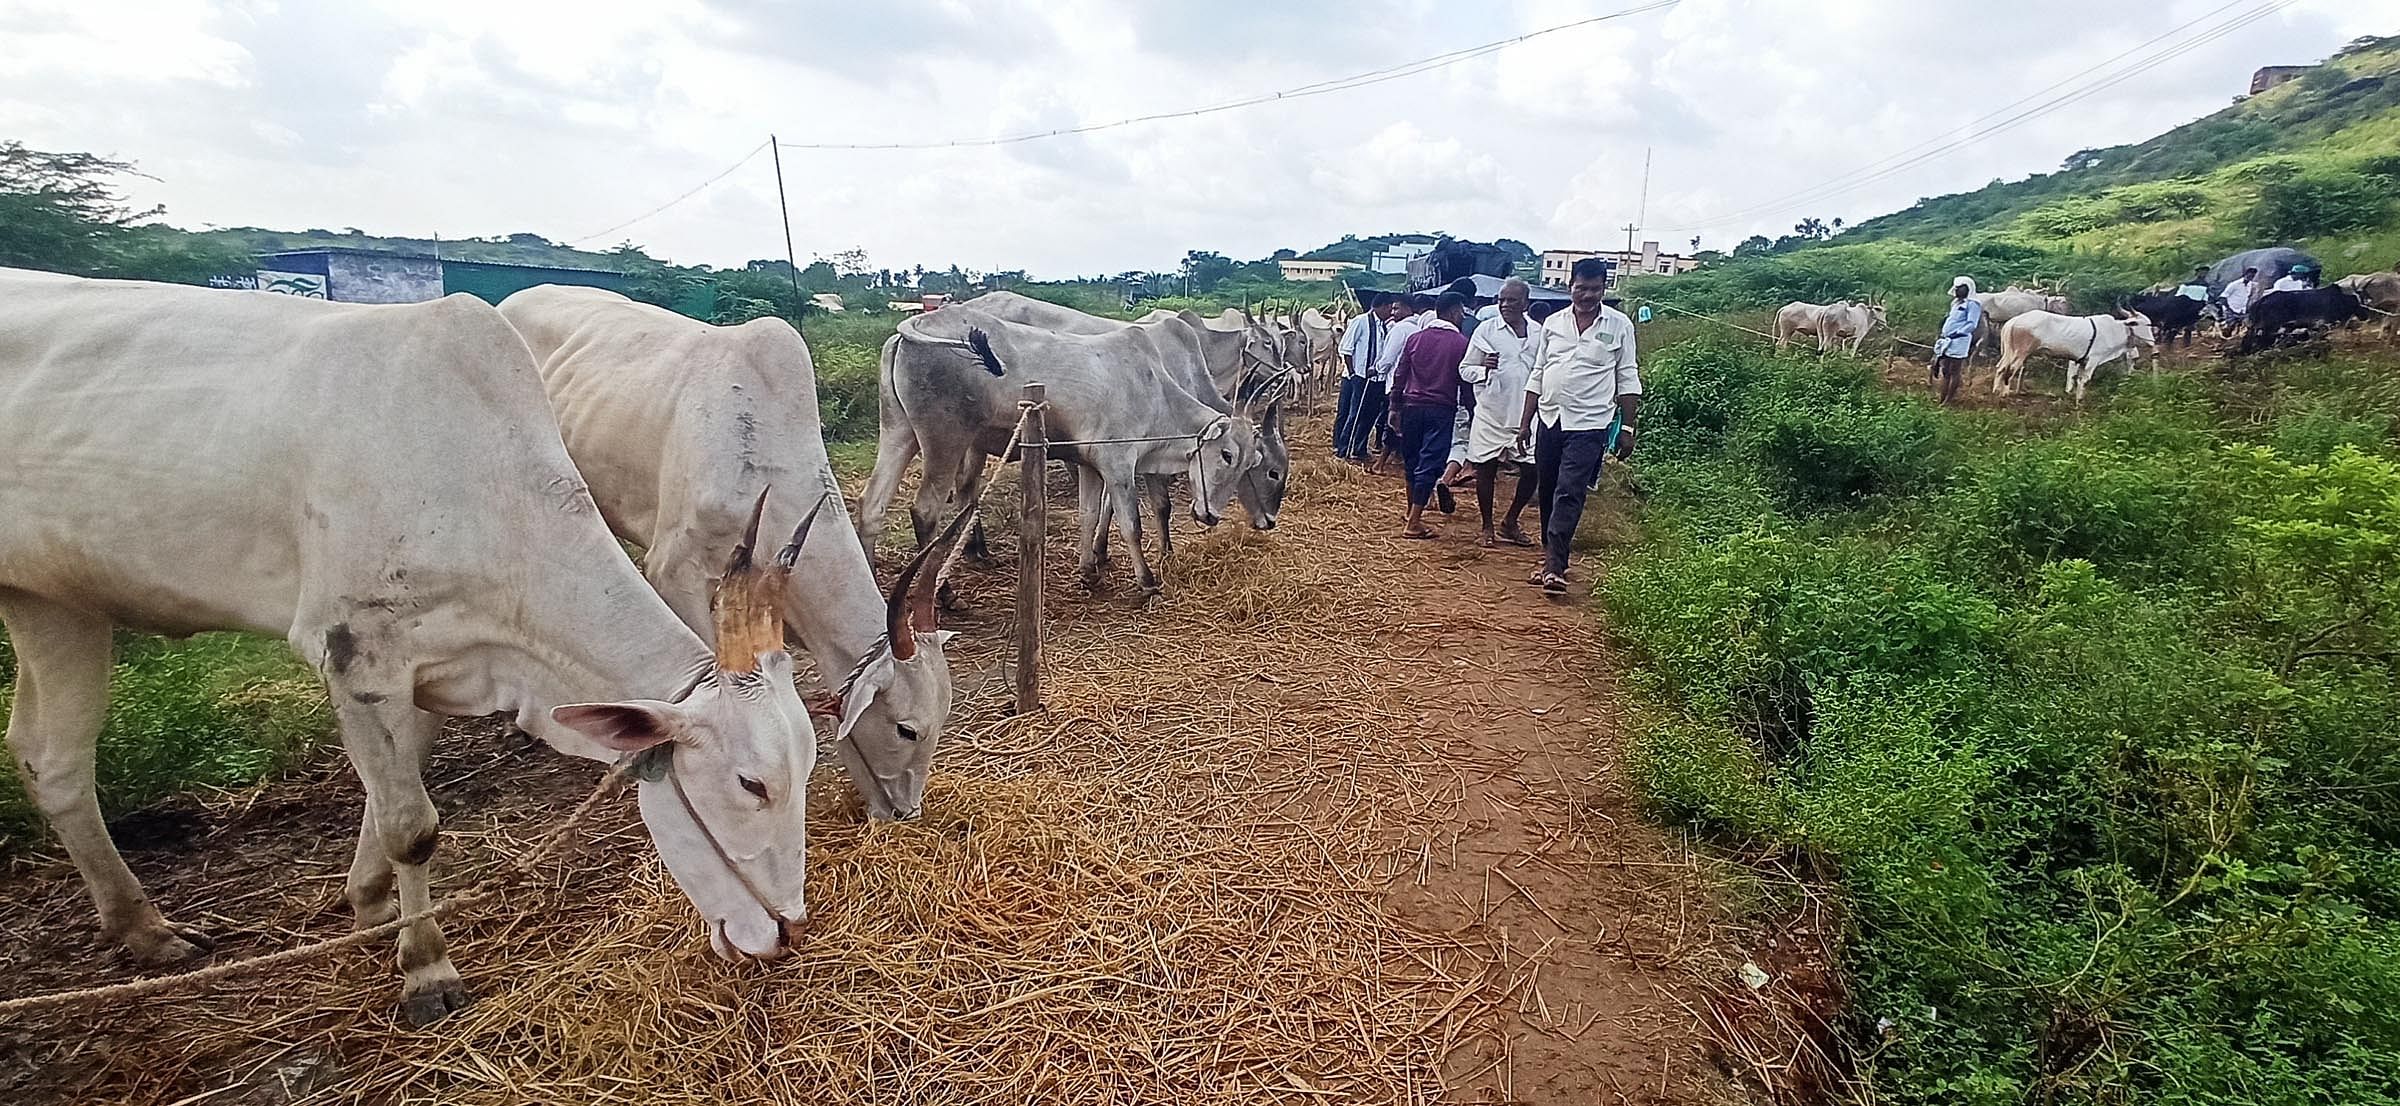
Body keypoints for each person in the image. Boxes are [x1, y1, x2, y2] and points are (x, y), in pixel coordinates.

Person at [1517, 258, 1639, 595]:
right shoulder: (1553, 324)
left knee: (1570, 490)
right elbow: (1538, 373)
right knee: (1549, 489)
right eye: (1581, 288)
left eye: (1594, 289)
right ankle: (1550, 558)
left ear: (1604, 288)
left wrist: (1627, 428)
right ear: (1570, 286)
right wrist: (1525, 422)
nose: (1586, 295)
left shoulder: (1619, 325)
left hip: (1589, 423)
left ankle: (1555, 567)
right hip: (1550, 419)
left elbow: (1627, 376)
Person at [1459, 277, 1543, 548]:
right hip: (1492, 412)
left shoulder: (1539, 333)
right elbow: (1465, 369)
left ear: (1525, 303)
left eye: (1512, 300)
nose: (1505, 305)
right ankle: (1487, 526)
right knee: (1486, 470)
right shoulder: (1487, 330)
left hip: (1526, 415)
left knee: (1532, 470)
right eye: (1502, 300)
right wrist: (1484, 368)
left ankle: (1510, 521)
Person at [1386, 293, 1473, 538]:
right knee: (1430, 463)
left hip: (1411, 407)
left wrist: (1394, 408)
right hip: (1441, 409)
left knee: (1411, 462)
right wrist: (1473, 411)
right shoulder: (1460, 343)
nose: (1463, 317)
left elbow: (1400, 375)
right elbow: (1464, 384)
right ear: (1454, 312)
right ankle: (1414, 522)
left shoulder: (1415, 339)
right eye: (1462, 313)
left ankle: (1410, 510)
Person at [1369, 293, 1435, 473]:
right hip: (1416, 386)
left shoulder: (1400, 329)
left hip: (1396, 384)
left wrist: (1376, 369)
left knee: (1392, 423)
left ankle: (1380, 464)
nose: (1393, 312)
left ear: (1407, 308)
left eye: (1396, 308)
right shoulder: (1420, 328)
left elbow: (1389, 358)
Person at [1333, 298, 1396, 461]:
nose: (1391, 312)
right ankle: (1344, 450)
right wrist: (1354, 373)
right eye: (1389, 308)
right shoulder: (1360, 321)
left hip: (1376, 379)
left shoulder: (1383, 326)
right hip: (1360, 377)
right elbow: (1346, 348)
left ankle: (1359, 449)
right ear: (1381, 306)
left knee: (1370, 415)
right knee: (1355, 414)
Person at [1931, 276, 1981, 406]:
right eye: (1957, 288)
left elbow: (1972, 324)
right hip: (1947, 340)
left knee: (1954, 370)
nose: (1958, 291)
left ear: (1968, 289)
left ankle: (1948, 400)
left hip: (1959, 341)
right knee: (1945, 369)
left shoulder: (1973, 304)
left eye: (1961, 288)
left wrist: (1958, 332)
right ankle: (1942, 398)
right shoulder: (1955, 303)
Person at [2221, 266, 2261, 334]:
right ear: (2245, 274)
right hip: (2231, 310)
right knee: (2229, 329)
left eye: (2253, 275)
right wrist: (2229, 309)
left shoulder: (2250, 285)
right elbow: (2223, 297)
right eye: (2250, 275)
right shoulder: (2234, 284)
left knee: (2246, 328)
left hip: (2242, 311)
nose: (2251, 277)